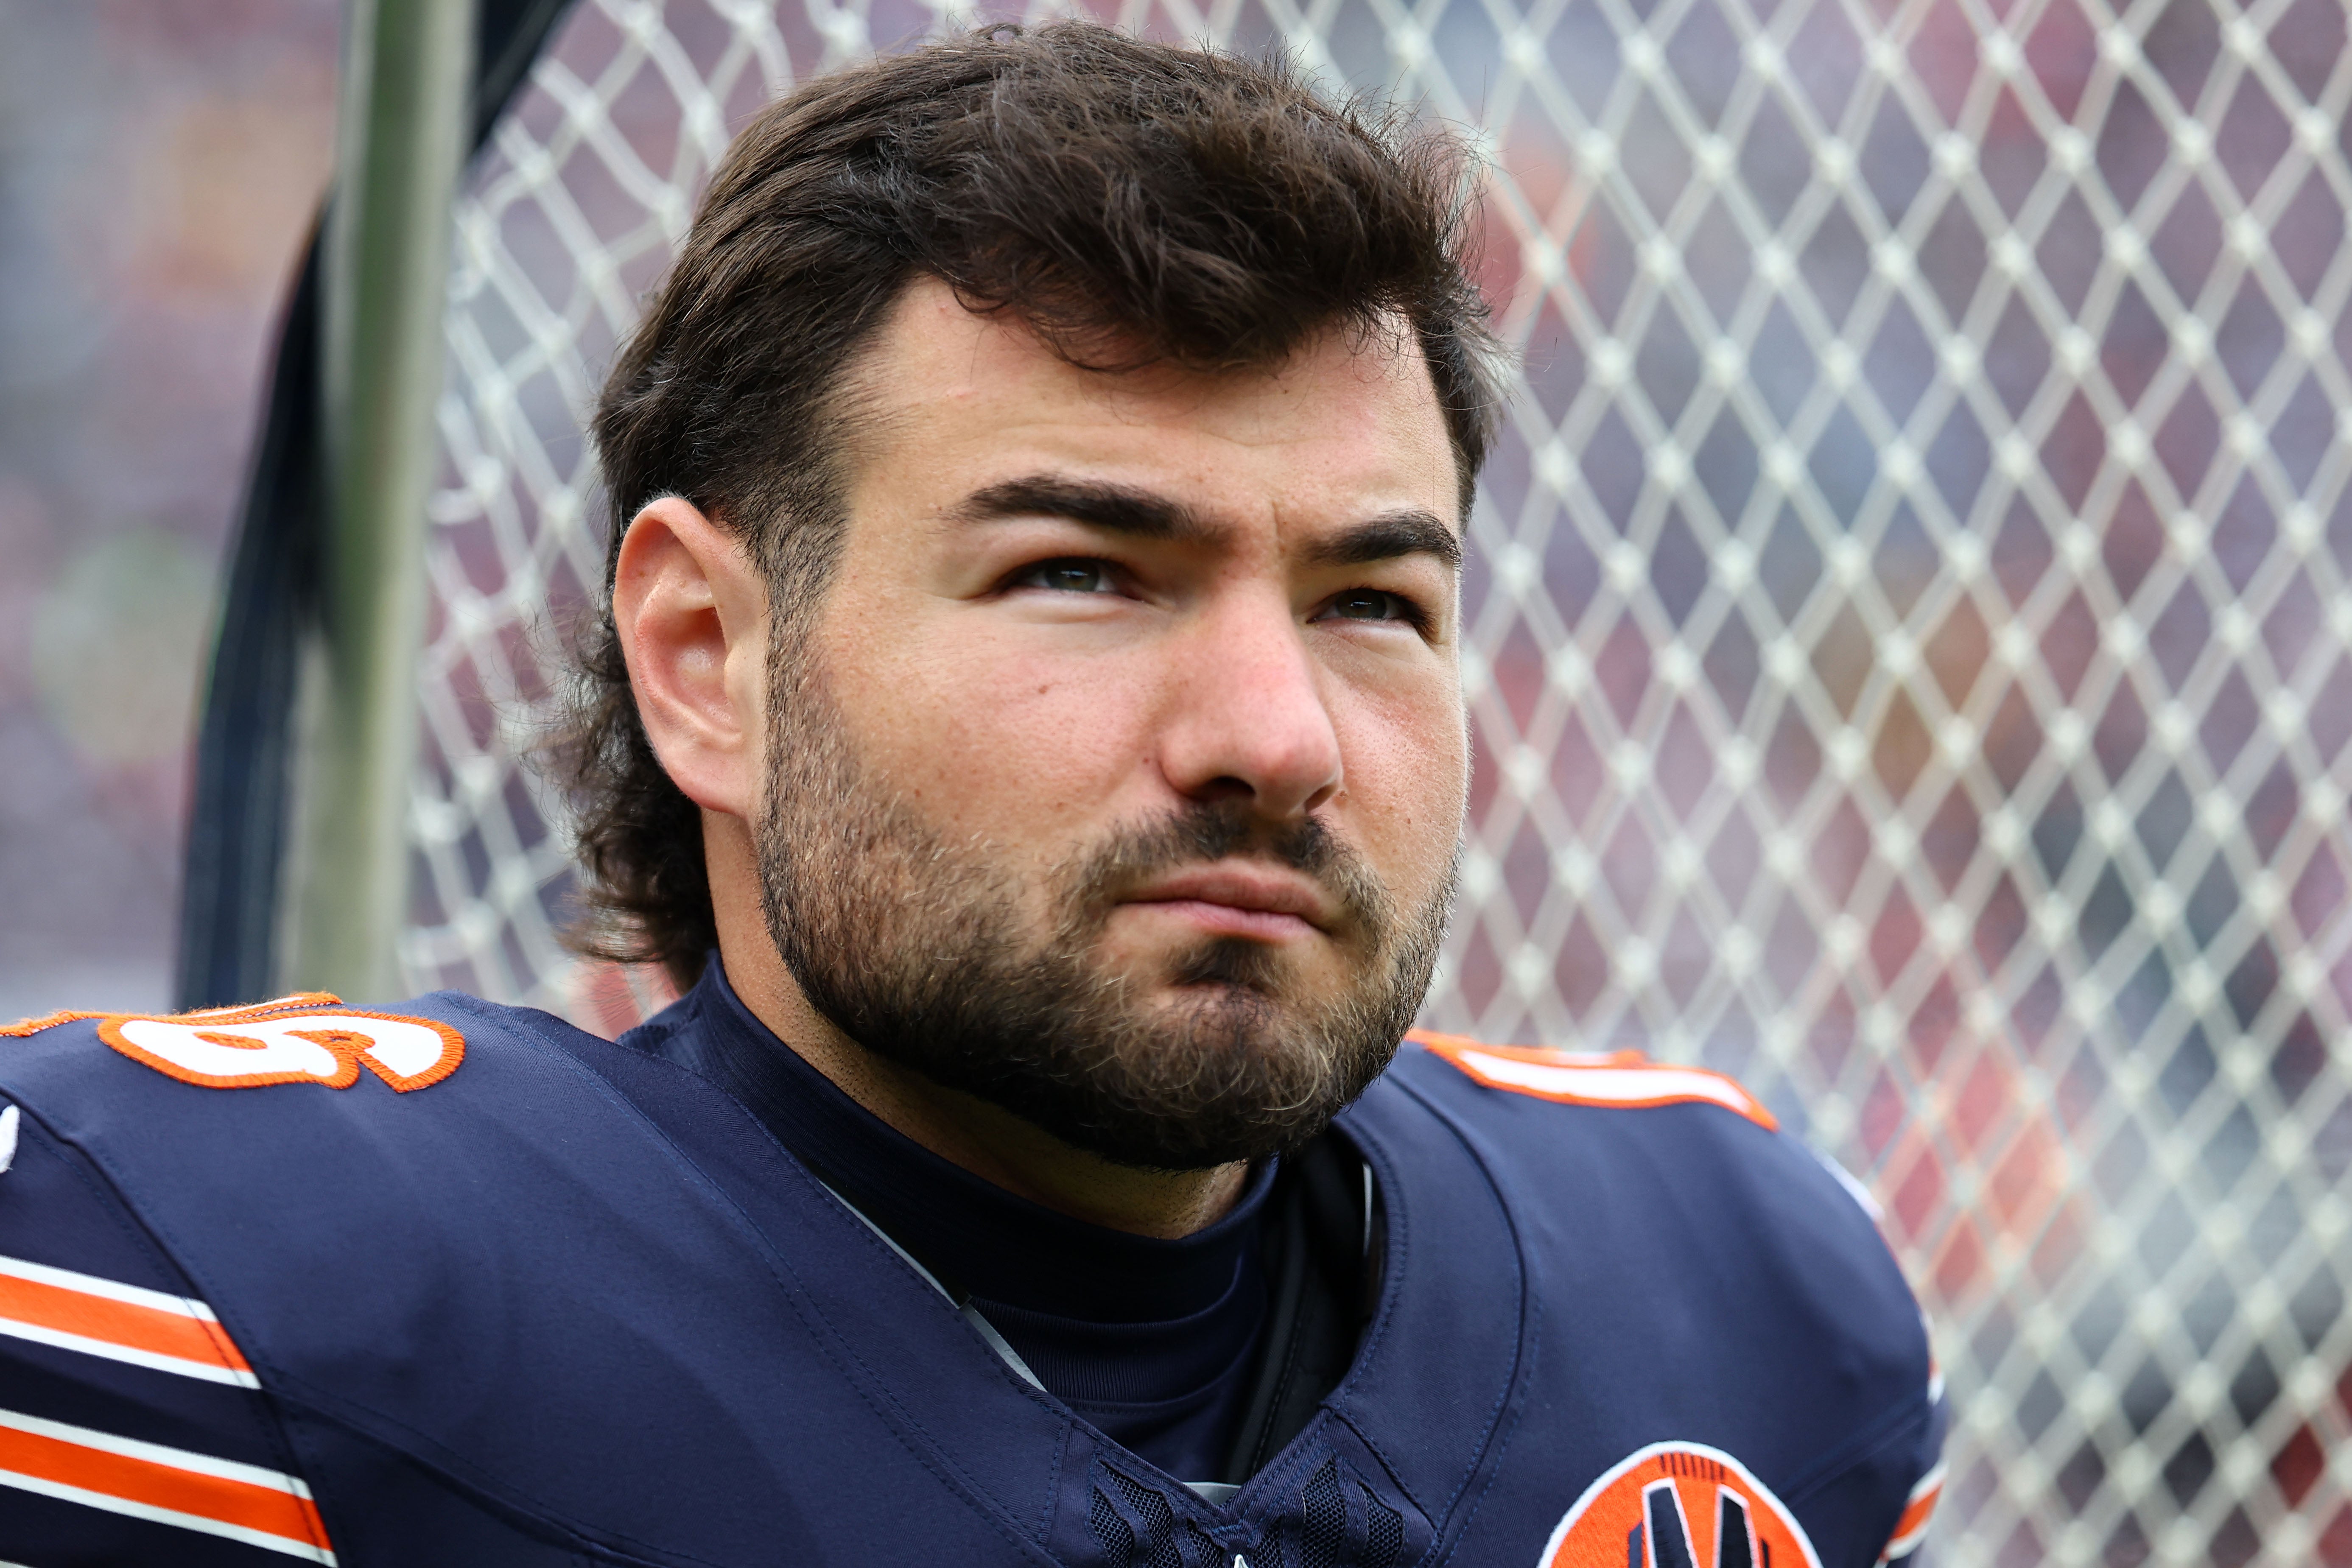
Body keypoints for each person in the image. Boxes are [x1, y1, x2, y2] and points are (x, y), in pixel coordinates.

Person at [0, 23, 1944, 1567]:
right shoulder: (192, 1288)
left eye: (1371, 600)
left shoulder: (1742, 1307)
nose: (1276, 735)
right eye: (1083, 571)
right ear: (707, 657)